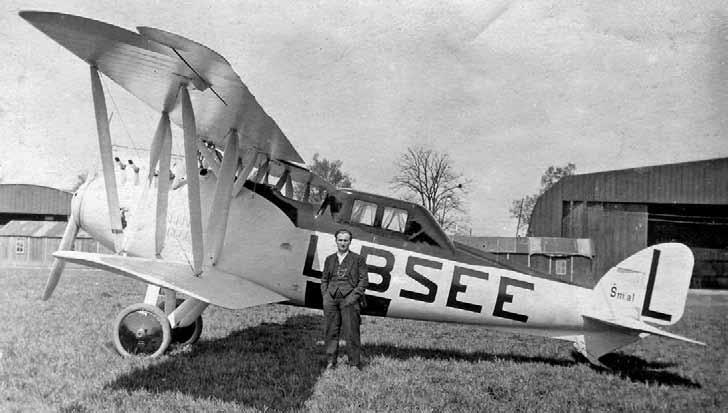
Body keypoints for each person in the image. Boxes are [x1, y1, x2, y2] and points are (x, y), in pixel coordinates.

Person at [321, 229, 368, 369]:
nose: (342, 243)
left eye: (345, 240)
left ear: (350, 242)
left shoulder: (358, 259)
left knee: (351, 332)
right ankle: (330, 361)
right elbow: (324, 279)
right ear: (336, 241)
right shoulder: (329, 259)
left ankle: (354, 363)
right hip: (331, 299)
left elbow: (364, 281)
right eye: (340, 240)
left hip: (349, 300)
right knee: (331, 331)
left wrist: (353, 297)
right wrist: (326, 295)